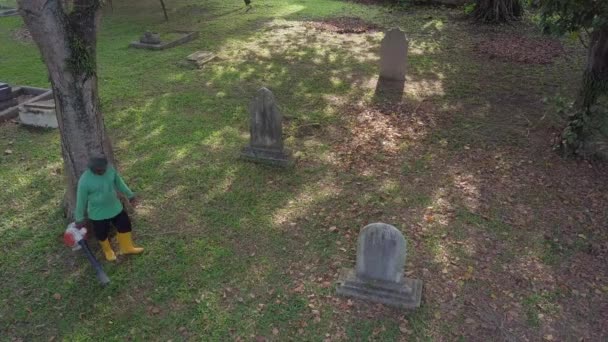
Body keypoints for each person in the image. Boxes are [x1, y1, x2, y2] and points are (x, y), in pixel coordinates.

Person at [75, 156, 144, 261]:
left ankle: (127, 248)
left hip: (115, 207)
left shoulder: (110, 170)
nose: (102, 171)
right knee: (101, 233)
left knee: (125, 225)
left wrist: (130, 196)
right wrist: (79, 218)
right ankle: (108, 251)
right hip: (98, 214)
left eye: (103, 169)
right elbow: (81, 200)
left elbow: (120, 183)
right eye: (99, 170)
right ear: (91, 169)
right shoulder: (84, 181)